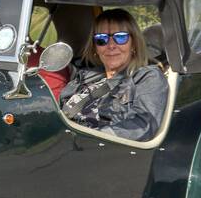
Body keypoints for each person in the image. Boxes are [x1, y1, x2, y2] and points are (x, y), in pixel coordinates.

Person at [58, 9, 169, 142]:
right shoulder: (85, 75)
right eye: (101, 39)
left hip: (97, 149)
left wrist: (89, 138)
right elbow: (59, 111)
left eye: (120, 37)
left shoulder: (147, 77)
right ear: (95, 47)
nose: (111, 45)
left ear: (133, 43)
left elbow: (142, 126)